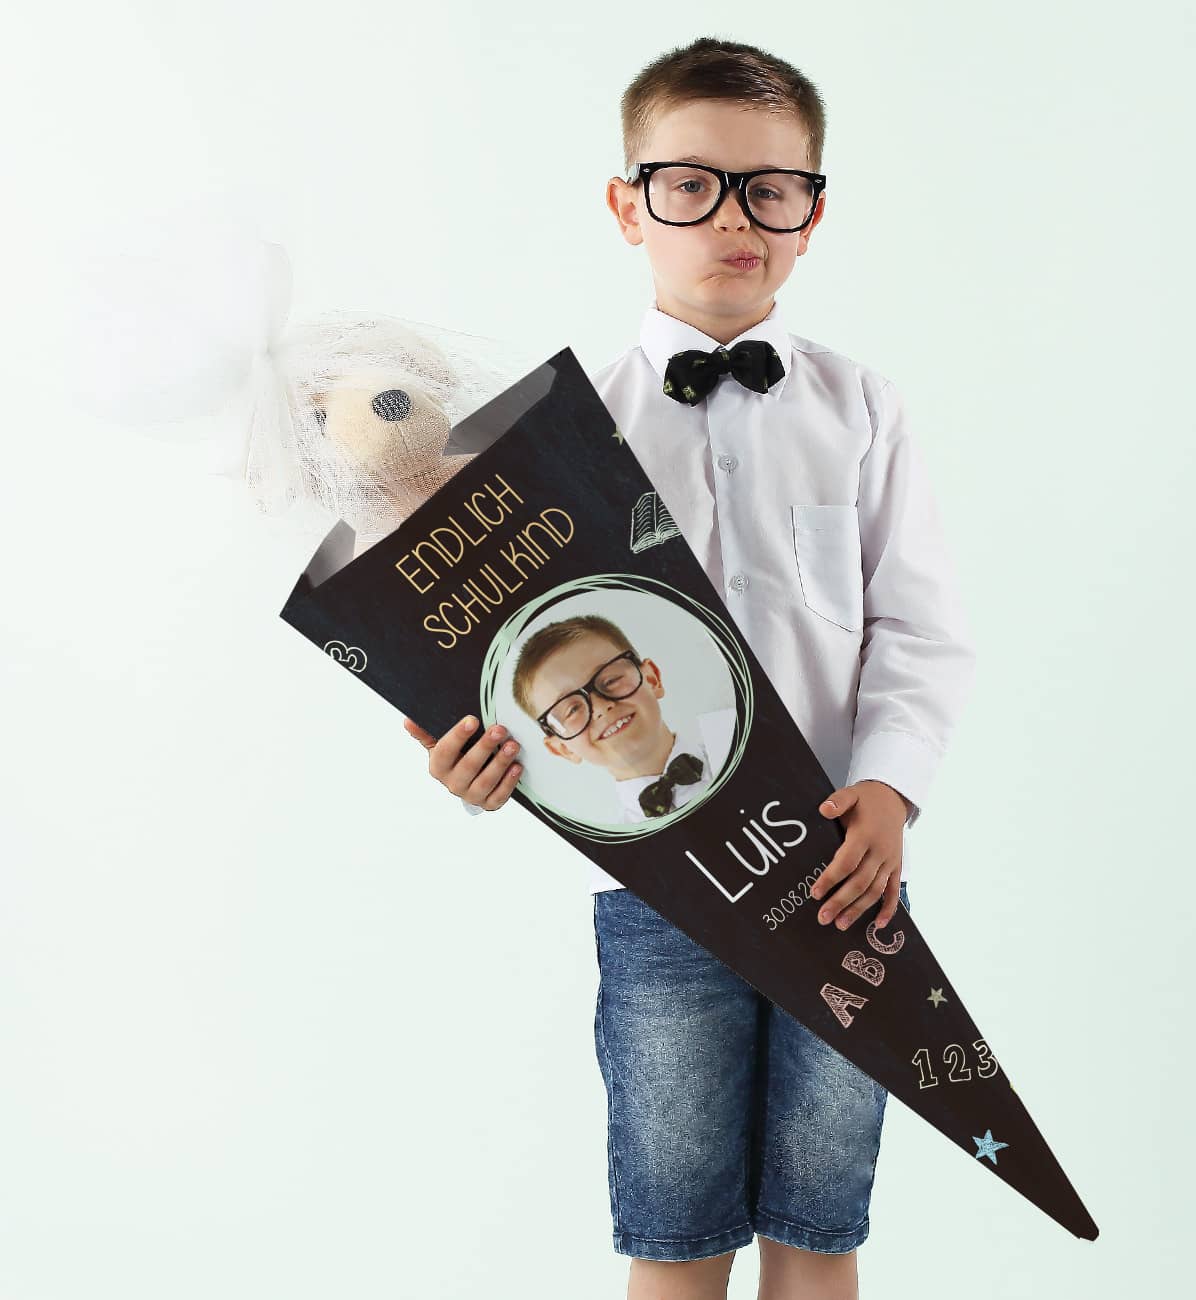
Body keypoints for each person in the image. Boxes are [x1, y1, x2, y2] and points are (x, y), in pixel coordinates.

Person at [402, 36, 976, 1300]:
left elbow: (920, 627)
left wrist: (890, 788)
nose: (732, 219)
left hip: (843, 872)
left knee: (821, 1223)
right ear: (628, 206)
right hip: (657, 891)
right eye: (689, 185)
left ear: (812, 212)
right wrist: (475, 752)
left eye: (769, 189)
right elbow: (496, 658)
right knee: (673, 1233)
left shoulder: (863, 409)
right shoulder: (554, 435)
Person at [509, 611, 737, 825]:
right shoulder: (614, 849)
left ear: (652, 679)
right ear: (562, 749)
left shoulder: (741, 733)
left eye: (610, 680)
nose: (601, 707)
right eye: (572, 709)